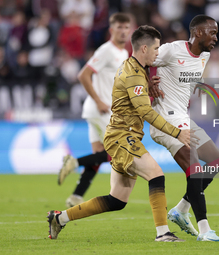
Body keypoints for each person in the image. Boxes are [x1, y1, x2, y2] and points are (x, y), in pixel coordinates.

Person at [47, 25, 193, 242]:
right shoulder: (134, 73)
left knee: (117, 200)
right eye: (156, 48)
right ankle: (163, 233)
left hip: (121, 136)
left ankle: (59, 218)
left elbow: (134, 101)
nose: (157, 53)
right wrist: (176, 132)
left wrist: (146, 87)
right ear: (144, 48)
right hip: (122, 137)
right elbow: (144, 111)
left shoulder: (133, 68)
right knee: (156, 174)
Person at [149, 15, 219, 242]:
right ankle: (205, 231)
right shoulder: (172, 50)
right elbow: (139, 61)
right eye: (212, 32)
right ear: (198, 32)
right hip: (164, 120)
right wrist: (146, 81)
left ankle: (181, 209)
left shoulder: (205, 56)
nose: (216, 37)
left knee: (218, 160)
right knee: (193, 169)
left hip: (183, 118)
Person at [57, 13, 130, 208]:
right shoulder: (106, 50)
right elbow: (84, 75)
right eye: (119, 28)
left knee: (98, 154)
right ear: (111, 30)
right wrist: (99, 101)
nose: (123, 31)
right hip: (101, 109)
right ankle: (73, 162)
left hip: (102, 109)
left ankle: (76, 196)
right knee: (117, 152)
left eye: (126, 28)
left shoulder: (123, 53)